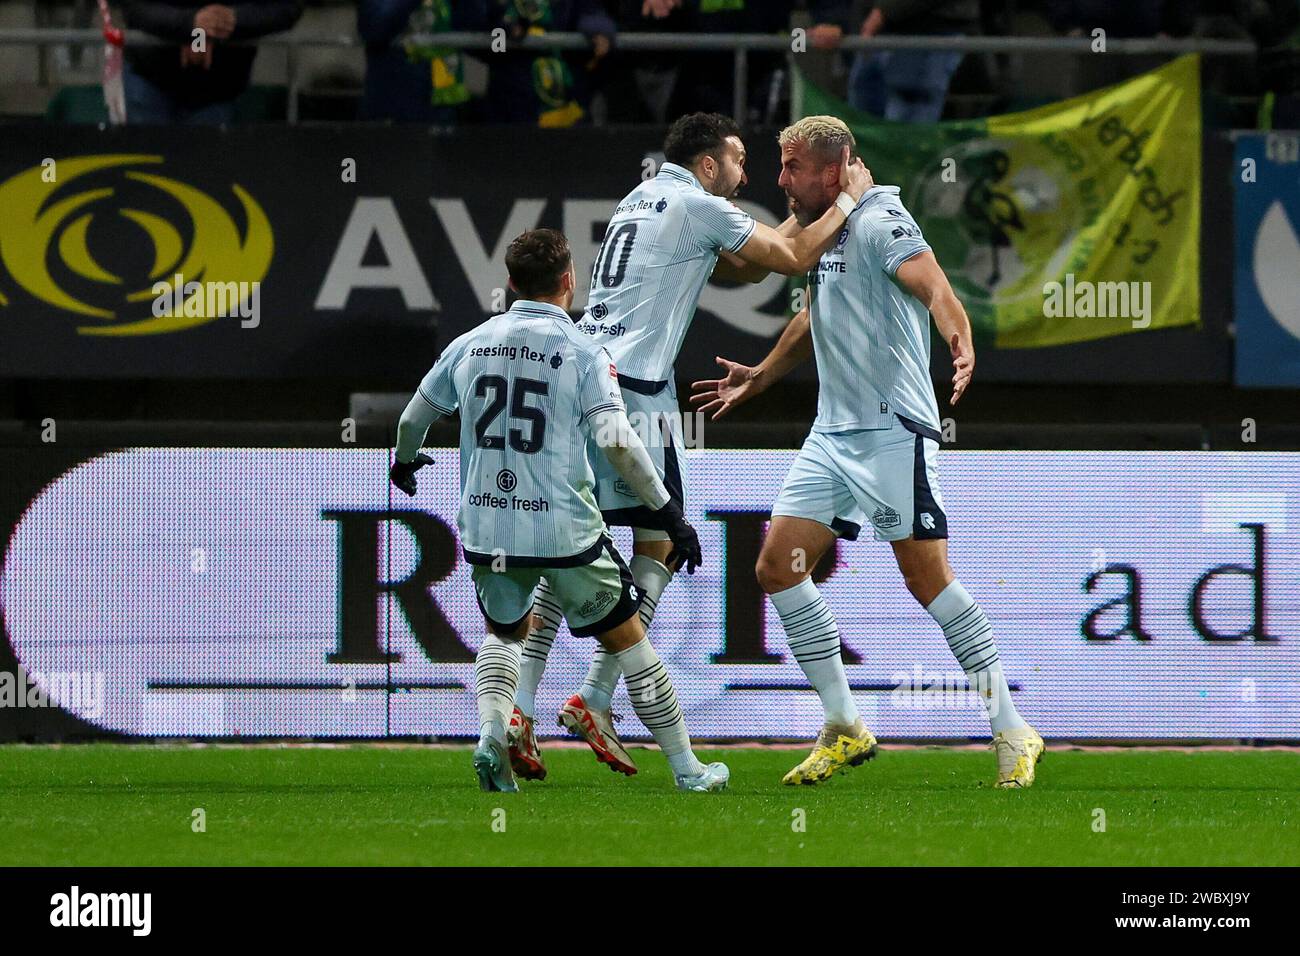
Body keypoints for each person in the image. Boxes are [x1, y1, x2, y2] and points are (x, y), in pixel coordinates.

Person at [508, 112, 872, 780]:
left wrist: (798, 221)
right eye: (737, 159)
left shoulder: (644, 196)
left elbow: (743, 267)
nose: (746, 171)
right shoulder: (697, 204)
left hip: (581, 376)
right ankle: (596, 696)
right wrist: (848, 197)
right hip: (634, 393)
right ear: (708, 164)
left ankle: (526, 709)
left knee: (571, 550)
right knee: (663, 544)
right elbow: (788, 260)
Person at [690, 115, 1044, 788]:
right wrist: (762, 376)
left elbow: (935, 285)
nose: (781, 179)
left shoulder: (880, 219)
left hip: (892, 432)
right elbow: (814, 308)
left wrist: (959, 339)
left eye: (793, 167)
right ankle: (846, 724)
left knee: (927, 580)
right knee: (776, 567)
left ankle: (1011, 729)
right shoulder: (826, 227)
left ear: (836, 167)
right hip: (833, 435)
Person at [389, 228, 727, 793]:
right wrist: (669, 512)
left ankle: (491, 736)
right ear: (570, 281)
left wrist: (404, 464)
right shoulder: (582, 350)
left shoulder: (470, 344)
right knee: (629, 642)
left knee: (504, 636)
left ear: (511, 283)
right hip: (564, 530)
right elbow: (616, 438)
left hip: (489, 527)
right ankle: (689, 770)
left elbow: (411, 421)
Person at [120, 1, 303, 125]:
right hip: (151, 78)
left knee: (206, 174)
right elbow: (134, 7)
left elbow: (287, 7)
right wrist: (191, 27)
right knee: (148, 167)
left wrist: (228, 21)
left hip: (218, 89)